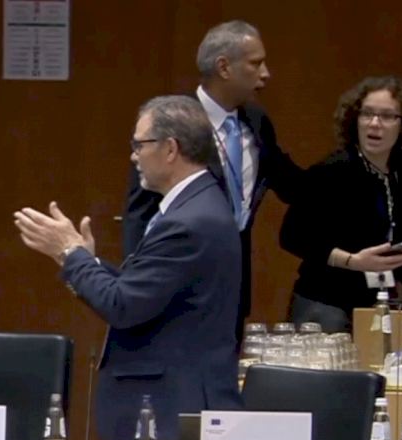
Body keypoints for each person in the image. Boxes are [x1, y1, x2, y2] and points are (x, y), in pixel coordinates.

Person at [14, 96, 242, 440]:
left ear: (170, 148)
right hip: (174, 410)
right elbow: (145, 291)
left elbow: (123, 305)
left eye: (139, 145)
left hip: (172, 413)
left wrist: (71, 253)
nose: (134, 156)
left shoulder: (187, 222)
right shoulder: (195, 207)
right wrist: (83, 260)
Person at [120, 20, 304, 337]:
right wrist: (135, 283)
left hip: (232, 283)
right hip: (178, 281)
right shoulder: (173, 121)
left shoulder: (257, 121)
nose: (265, 74)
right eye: (256, 63)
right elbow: (140, 210)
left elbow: (291, 184)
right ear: (224, 67)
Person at [279, 76, 402, 332]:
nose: (374, 123)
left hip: (374, 305)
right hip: (325, 303)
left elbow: (398, 249)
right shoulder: (333, 170)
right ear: (354, 119)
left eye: (387, 116)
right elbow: (292, 236)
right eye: (367, 114)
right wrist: (352, 261)